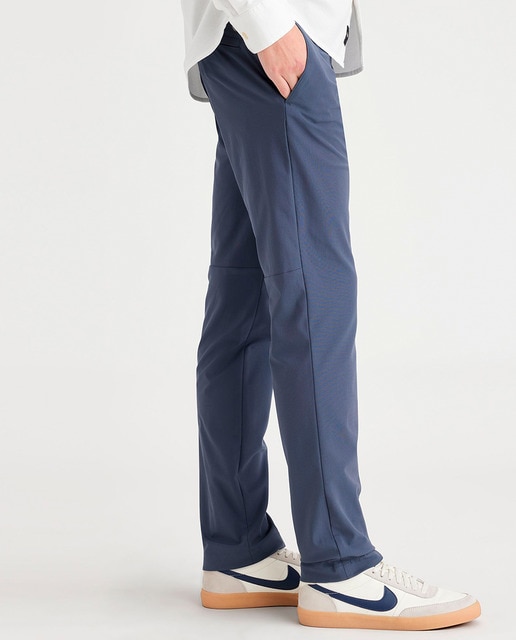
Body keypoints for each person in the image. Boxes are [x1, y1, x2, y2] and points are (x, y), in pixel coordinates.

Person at [179, 0, 481, 630]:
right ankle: (339, 564)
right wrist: (269, 25)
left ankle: (238, 547)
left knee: (244, 300)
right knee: (317, 297)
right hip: (270, 38)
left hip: (242, 44)